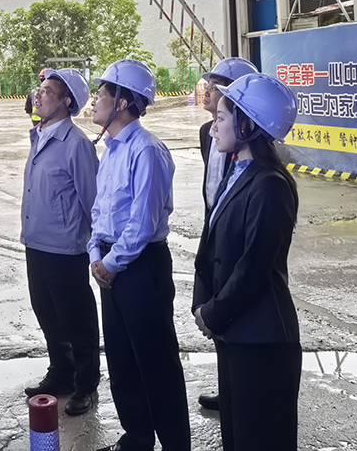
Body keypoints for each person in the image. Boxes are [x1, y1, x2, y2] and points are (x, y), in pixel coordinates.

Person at [192, 72, 301, 451]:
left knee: (260, 439)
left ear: (248, 125)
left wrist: (214, 313)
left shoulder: (269, 185)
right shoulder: (238, 173)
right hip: (236, 333)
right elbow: (213, 247)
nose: (213, 127)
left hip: (262, 339)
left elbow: (253, 267)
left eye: (222, 118)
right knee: (237, 437)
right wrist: (204, 306)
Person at [88, 59, 190, 451]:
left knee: (156, 361)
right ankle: (137, 437)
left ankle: (175, 444)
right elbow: (100, 212)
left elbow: (142, 222)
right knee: (122, 358)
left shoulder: (146, 151)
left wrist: (110, 264)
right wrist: (95, 254)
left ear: (123, 102)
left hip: (141, 266)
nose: (94, 100)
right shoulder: (111, 151)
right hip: (111, 264)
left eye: (102, 93)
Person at [20, 68, 100, 415]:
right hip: (35, 244)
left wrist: (97, 250)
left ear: (67, 102)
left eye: (48, 91)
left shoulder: (77, 145)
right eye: (39, 88)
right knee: (48, 316)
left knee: (76, 321)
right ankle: (61, 374)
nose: (38, 94)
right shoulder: (39, 135)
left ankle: (86, 385)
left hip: (66, 250)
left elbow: (92, 202)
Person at [195, 57, 258, 413]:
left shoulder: (252, 153)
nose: (208, 91)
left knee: (236, 307)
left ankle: (240, 390)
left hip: (235, 233)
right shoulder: (208, 133)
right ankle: (227, 387)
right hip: (215, 226)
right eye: (208, 85)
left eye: (216, 87)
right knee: (217, 309)